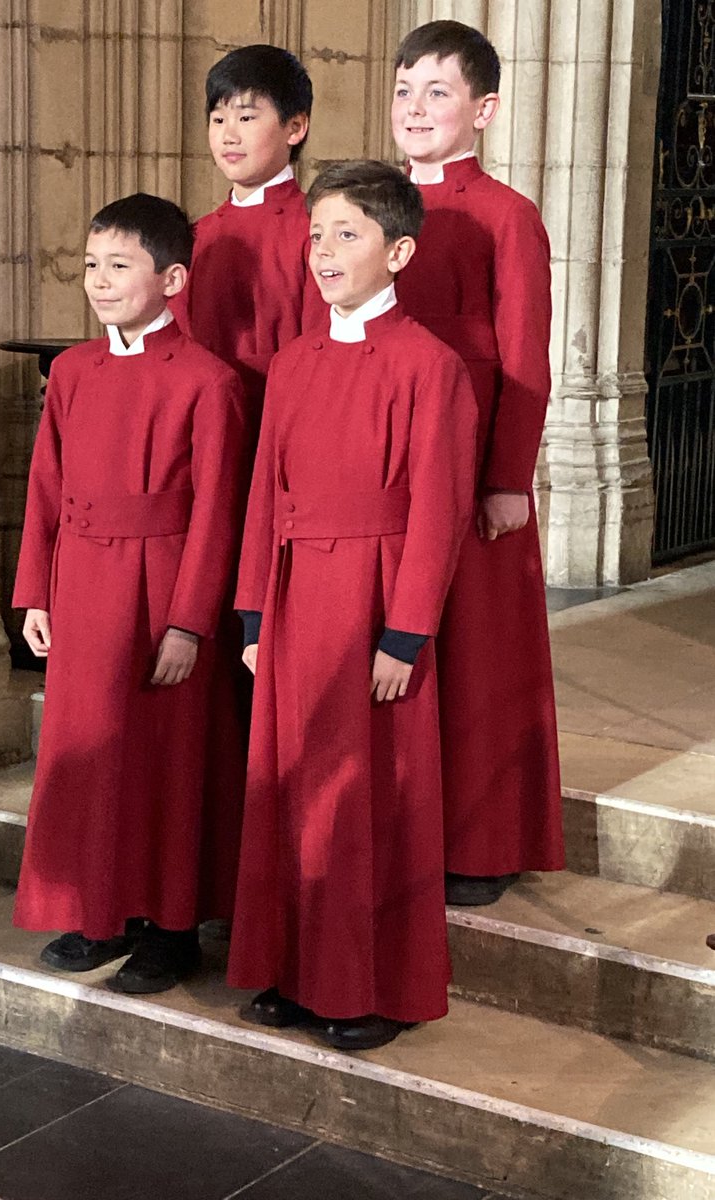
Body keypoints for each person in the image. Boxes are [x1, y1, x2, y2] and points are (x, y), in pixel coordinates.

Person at [228, 161, 477, 1051]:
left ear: (399, 251)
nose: (323, 252)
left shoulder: (430, 366)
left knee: (373, 803)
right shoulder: (292, 362)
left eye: (348, 235)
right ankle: (298, 973)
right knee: (296, 795)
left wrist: (405, 634)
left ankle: (377, 988)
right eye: (318, 233)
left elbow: (440, 510)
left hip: (375, 604)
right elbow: (264, 492)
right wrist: (254, 611)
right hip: (295, 601)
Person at [12, 194, 248, 993]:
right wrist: (35, 592)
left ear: (172, 277)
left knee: (164, 761)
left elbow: (219, 512)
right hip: (80, 581)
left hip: (160, 589)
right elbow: (45, 486)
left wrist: (188, 623)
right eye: (90, 265)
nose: (100, 281)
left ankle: (171, 929)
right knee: (89, 753)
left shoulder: (210, 381)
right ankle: (99, 907)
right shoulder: (72, 371)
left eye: (120, 266)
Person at [391, 20, 565, 906]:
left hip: (475, 470)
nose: (416, 109)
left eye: (439, 92)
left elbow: (527, 358)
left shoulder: (508, 216)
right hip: (391, 467)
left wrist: (508, 477)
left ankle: (484, 843)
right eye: (404, 91)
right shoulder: (374, 210)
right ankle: (407, 825)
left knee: (480, 663)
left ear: (484, 110)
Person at [170, 43, 322, 425]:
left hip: (285, 418)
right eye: (218, 120)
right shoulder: (196, 234)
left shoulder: (317, 228)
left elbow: (323, 348)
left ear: (296, 127)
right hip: (201, 422)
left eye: (247, 118)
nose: (228, 136)